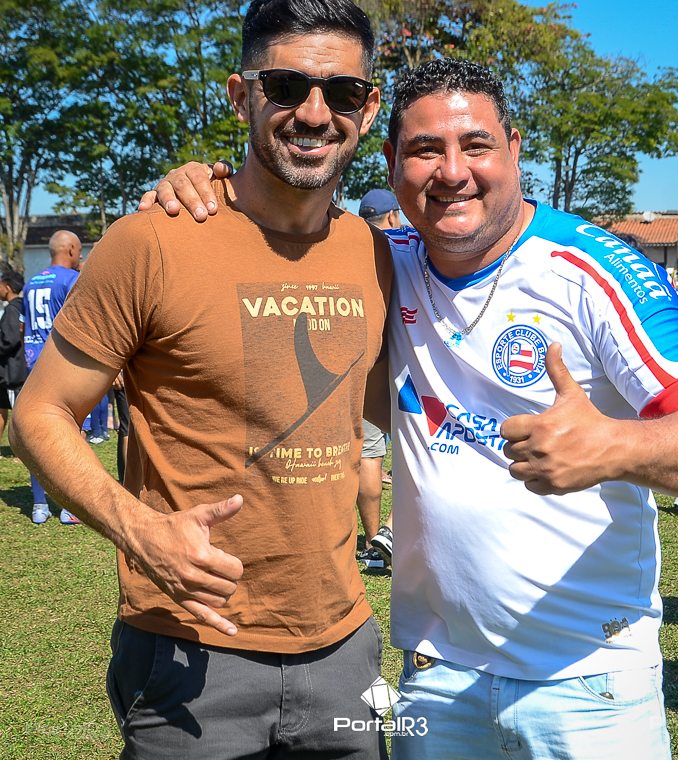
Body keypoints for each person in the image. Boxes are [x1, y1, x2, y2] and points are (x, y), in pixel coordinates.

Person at [147, 57, 678, 759]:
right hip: (434, 676)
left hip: (588, 679)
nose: (452, 171)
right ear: (392, 162)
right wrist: (205, 184)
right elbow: (272, 222)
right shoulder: (379, 258)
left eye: (476, 145)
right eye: (426, 149)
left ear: (513, 149)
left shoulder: (595, 268)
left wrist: (613, 447)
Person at [10, 2, 393, 758]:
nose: (315, 114)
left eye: (342, 92)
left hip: (345, 649)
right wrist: (139, 530)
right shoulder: (154, 239)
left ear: (369, 107)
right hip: (191, 654)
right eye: (286, 86)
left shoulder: (376, 254)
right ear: (241, 95)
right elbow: (38, 414)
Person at [20, 229, 81, 525]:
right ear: (70, 250)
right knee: (71, 435)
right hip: (62, 365)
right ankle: (68, 507)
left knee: (37, 434)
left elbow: (23, 327)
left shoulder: (30, 283)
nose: (80, 256)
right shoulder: (71, 280)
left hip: (34, 365)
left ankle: (39, 504)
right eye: (79, 251)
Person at [357, 188, 398, 566]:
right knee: (424, 451)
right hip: (402, 371)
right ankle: (389, 532)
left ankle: (375, 542)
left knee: (368, 455)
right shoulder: (402, 251)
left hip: (360, 367)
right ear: (392, 216)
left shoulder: (352, 248)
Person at [0, 268, 27, 443]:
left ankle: (22, 449)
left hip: (13, 373)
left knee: (18, 414)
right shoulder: (22, 306)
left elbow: (9, 339)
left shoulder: (12, 310)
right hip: (10, 372)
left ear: (7, 287)